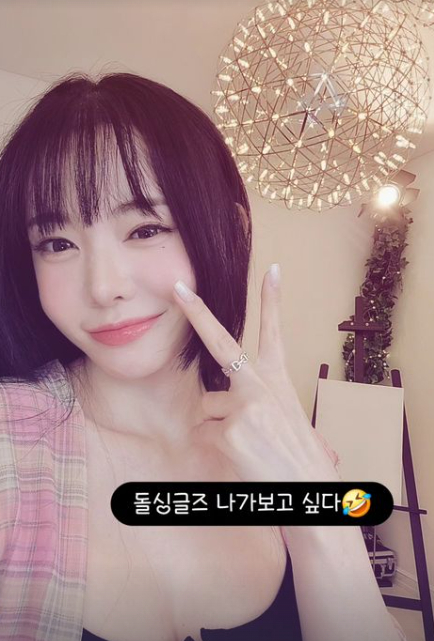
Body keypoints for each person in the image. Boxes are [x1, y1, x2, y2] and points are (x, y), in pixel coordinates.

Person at [0, 71, 406, 641]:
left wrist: (318, 517)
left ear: (228, 233)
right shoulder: (11, 446)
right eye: (57, 243)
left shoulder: (279, 447)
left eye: (145, 229)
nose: (103, 288)